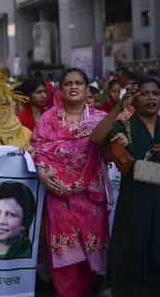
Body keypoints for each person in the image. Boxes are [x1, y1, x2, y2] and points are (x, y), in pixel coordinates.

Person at [31, 68, 109, 297]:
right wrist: (42, 174)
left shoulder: (101, 120)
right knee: (64, 254)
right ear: (61, 89)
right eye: (68, 83)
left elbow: (114, 148)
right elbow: (37, 148)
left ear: (87, 89)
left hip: (91, 198)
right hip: (57, 195)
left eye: (78, 83)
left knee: (88, 254)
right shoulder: (48, 119)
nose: (73, 87)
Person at [91, 77, 160, 296]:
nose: (151, 98)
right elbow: (97, 137)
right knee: (132, 252)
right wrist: (119, 107)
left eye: (155, 94)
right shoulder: (126, 125)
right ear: (134, 97)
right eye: (144, 93)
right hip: (135, 202)